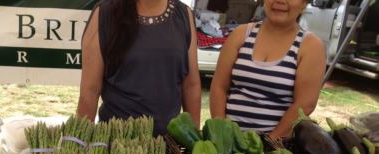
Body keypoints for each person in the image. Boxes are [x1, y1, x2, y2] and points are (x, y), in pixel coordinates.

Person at [77, 0, 201, 135]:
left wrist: (194, 142)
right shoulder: (104, 13)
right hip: (117, 142)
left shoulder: (184, 15)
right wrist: (81, 143)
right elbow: (90, 90)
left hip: (169, 143)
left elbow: (191, 85)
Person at [209, 0, 326, 139]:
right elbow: (218, 87)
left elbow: (305, 104)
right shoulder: (241, 34)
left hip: (276, 148)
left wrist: (270, 143)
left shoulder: (310, 46)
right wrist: (222, 133)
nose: (280, 1)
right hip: (229, 143)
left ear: (304, 4)